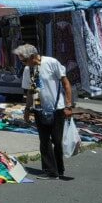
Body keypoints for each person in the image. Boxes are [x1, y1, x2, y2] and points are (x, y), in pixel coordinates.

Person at [14, 44, 73, 181]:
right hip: (39, 108)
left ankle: (59, 169)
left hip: (57, 108)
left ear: (33, 56)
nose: (23, 64)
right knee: (44, 140)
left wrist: (69, 105)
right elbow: (30, 91)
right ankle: (50, 171)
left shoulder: (51, 63)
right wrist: (27, 110)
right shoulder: (28, 70)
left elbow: (66, 83)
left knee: (57, 140)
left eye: (24, 60)